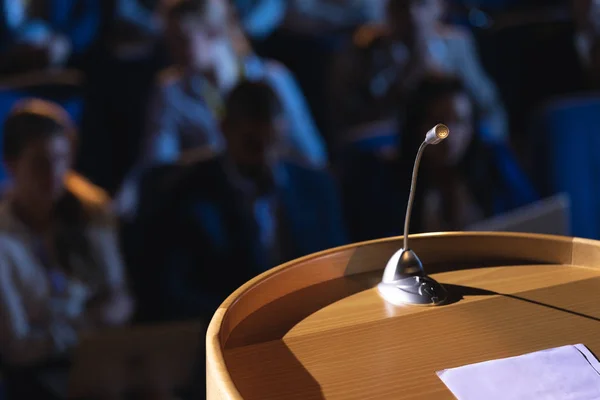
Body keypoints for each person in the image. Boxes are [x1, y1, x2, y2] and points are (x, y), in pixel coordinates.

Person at [135, 81, 346, 322]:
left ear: (284, 131)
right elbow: (173, 289)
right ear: (224, 130)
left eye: (273, 142)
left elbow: (336, 269)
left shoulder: (315, 188)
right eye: (253, 145)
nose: (266, 157)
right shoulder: (184, 194)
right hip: (222, 330)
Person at [113, 0, 327, 218]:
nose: (173, 51)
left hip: (276, 198)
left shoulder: (272, 79)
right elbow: (157, 162)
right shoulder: (171, 89)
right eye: (169, 41)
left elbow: (311, 154)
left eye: (182, 40)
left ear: (214, 32)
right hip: (209, 206)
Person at [0, 100, 133, 394]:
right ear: (11, 164)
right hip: (40, 377)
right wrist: (86, 326)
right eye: (39, 163)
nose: (54, 174)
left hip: (103, 362)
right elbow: (17, 347)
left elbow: (119, 297)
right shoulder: (4, 240)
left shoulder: (90, 212)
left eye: (61, 159)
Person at [341, 76, 536, 240]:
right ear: (416, 126)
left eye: (460, 122)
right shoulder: (386, 179)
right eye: (438, 124)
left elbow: (530, 217)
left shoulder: (493, 160)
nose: (449, 136)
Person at [329, 0, 508, 147]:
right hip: (392, 148)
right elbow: (353, 116)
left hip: (450, 144)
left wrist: (487, 140)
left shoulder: (456, 44)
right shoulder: (367, 50)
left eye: (422, 4)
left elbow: (488, 104)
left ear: (440, 7)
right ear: (388, 11)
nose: (412, 14)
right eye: (402, 6)